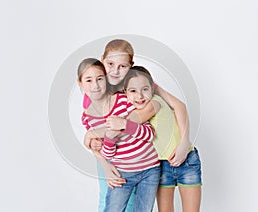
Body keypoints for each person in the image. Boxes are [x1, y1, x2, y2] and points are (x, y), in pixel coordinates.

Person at [82, 39, 193, 211]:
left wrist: (184, 142)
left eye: (123, 66)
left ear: (131, 66)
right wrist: (97, 150)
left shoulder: (138, 82)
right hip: (109, 154)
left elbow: (176, 106)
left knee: (134, 204)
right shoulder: (95, 87)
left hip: (139, 154)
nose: (115, 71)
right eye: (110, 64)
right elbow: (92, 130)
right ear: (102, 60)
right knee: (107, 200)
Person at [78, 58, 160, 212]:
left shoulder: (125, 99)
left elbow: (149, 130)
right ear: (80, 83)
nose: (95, 85)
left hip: (150, 169)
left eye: (100, 79)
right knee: (111, 205)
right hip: (122, 169)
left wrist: (124, 125)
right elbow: (105, 151)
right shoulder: (88, 114)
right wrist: (108, 138)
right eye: (89, 80)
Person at [119, 66, 202, 212]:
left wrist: (184, 143)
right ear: (125, 92)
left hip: (187, 160)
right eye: (133, 91)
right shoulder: (134, 107)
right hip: (160, 166)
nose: (139, 96)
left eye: (145, 89)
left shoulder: (154, 102)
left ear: (153, 88)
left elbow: (124, 124)